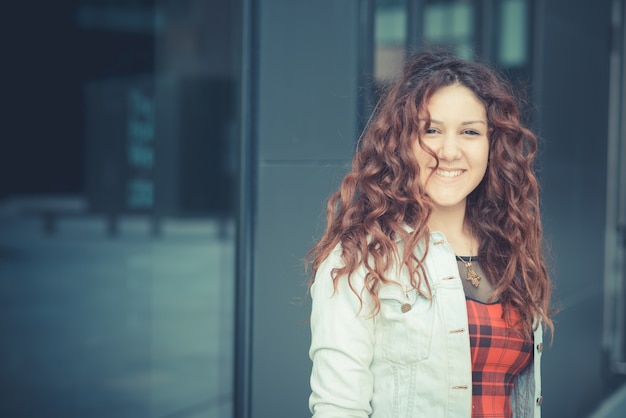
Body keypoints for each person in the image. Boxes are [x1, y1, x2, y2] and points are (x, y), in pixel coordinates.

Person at [306, 50, 554, 417]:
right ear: (401, 142)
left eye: (470, 132)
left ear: (492, 144)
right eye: (431, 130)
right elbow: (339, 409)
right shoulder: (361, 260)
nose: (449, 151)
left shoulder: (508, 253)